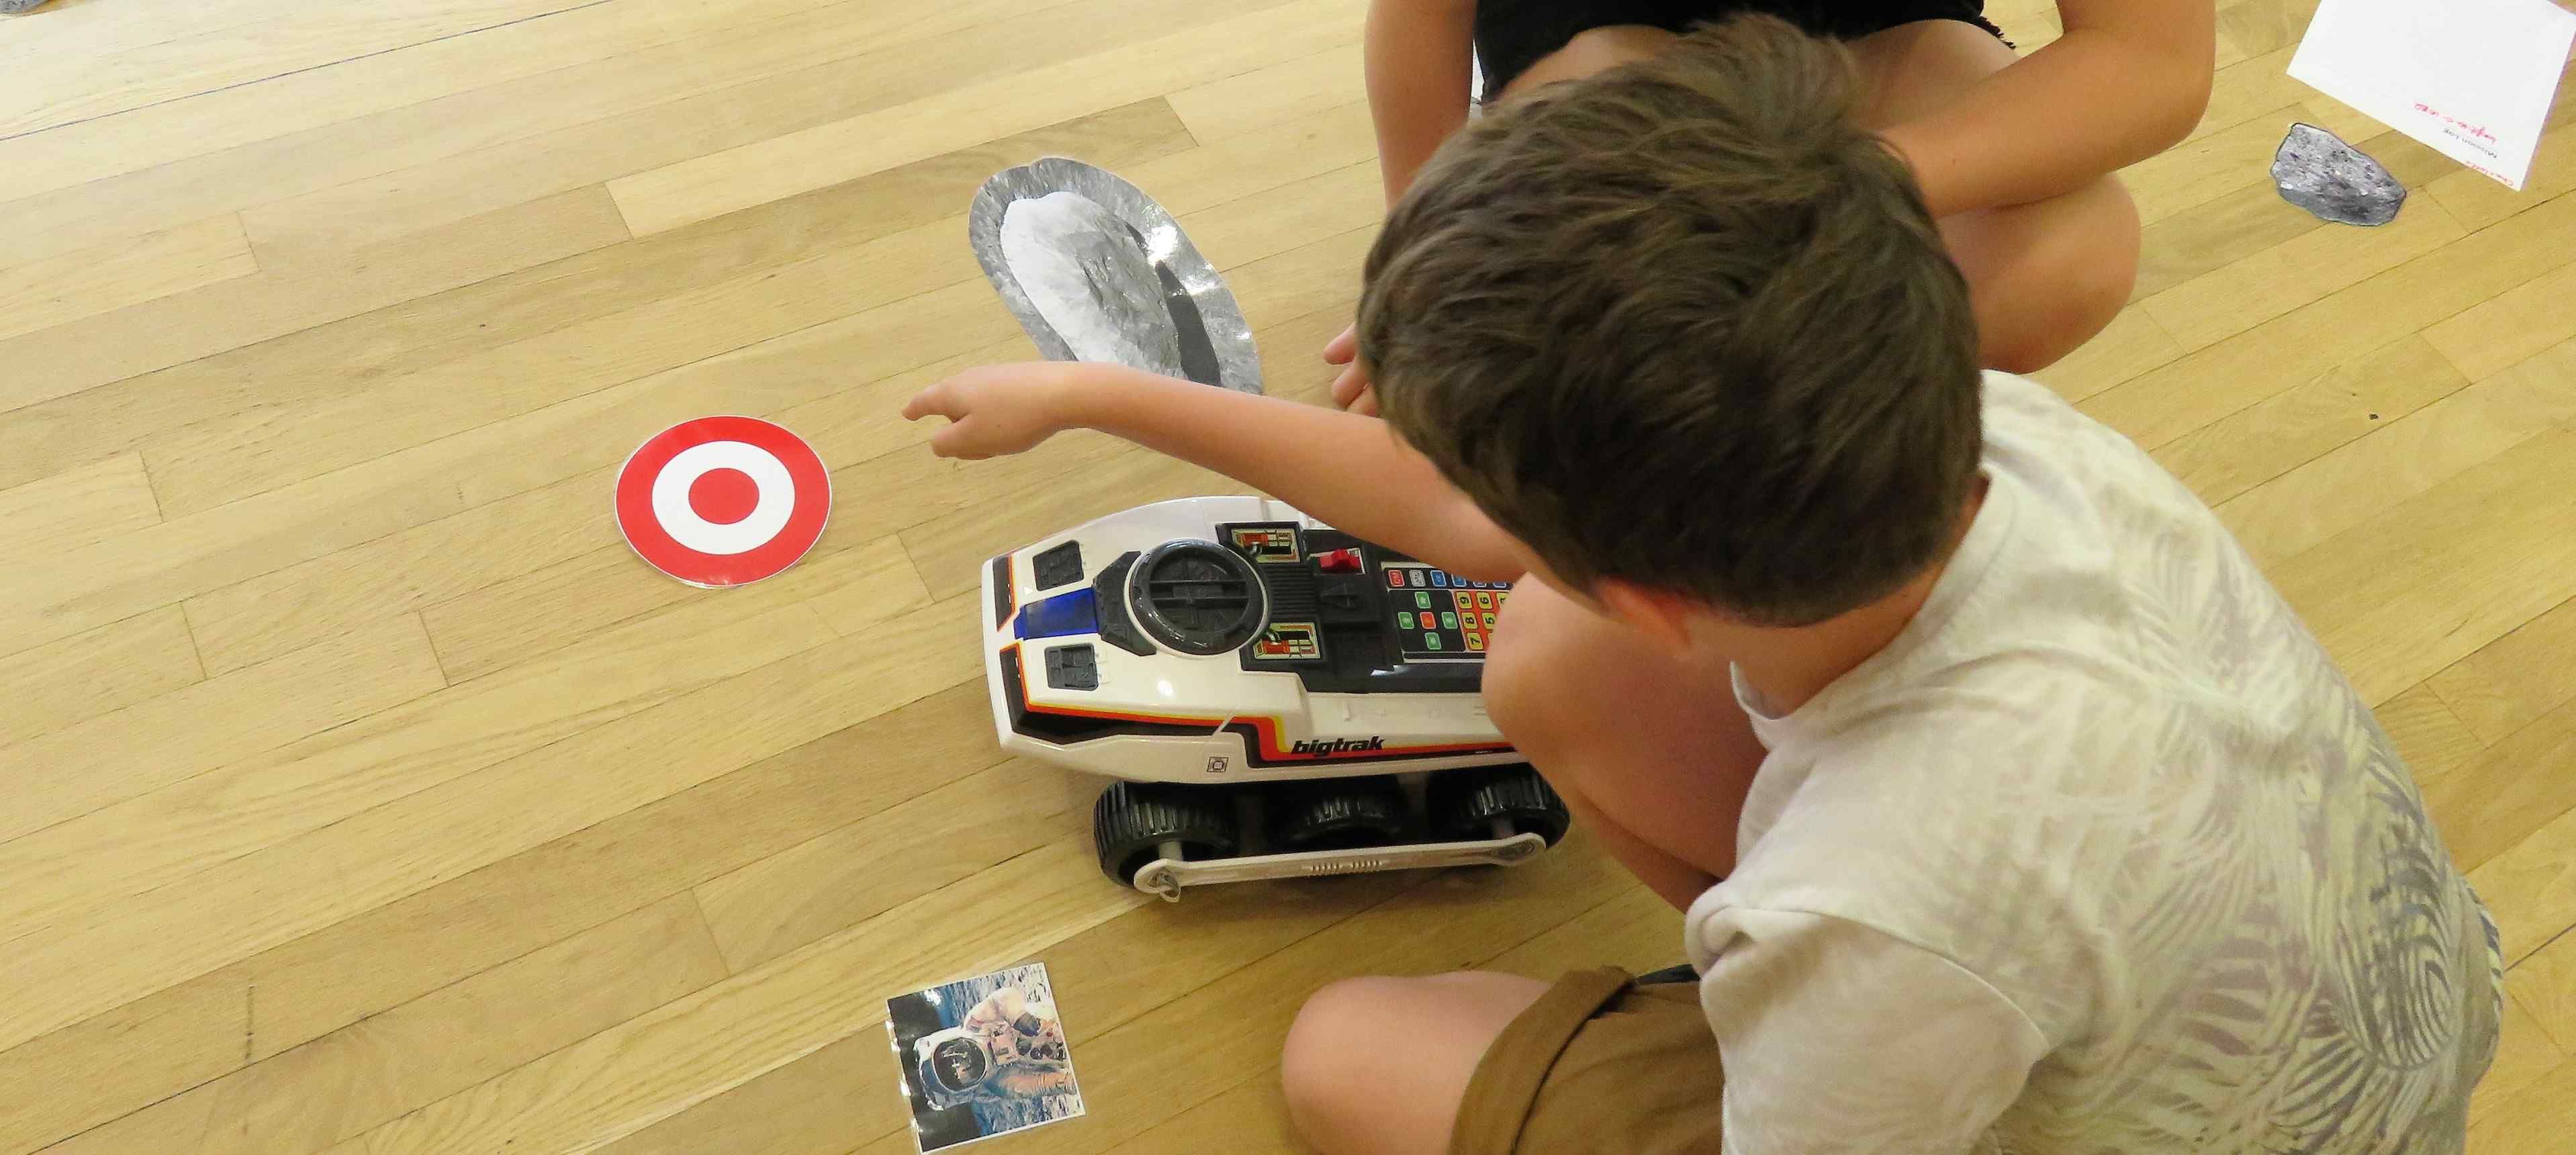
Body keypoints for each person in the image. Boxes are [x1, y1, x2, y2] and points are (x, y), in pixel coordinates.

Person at [903, 17, 2498, 1153]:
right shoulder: (2009, 423)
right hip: (2352, 1015)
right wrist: (1092, 396)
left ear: (1648, 593)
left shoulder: (1870, 916)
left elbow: (1458, 529)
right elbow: (1464, 527)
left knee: (1347, 1057)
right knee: (1542, 671)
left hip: (2024, 1057)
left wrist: (1805, 1018)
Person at [1322, 0, 2211, 414]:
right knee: (1598, 278)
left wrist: (1860, 174)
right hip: (1610, 29)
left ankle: (1796, 464)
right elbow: (1421, 12)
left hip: (1880, 31)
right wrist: (1423, 248)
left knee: (2067, 257)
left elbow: (2152, 59)